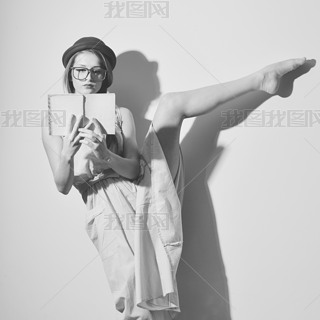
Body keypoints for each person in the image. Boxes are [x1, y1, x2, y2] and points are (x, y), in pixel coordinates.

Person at [41, 36, 307, 320]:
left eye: (97, 70)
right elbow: (62, 185)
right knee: (139, 304)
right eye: (80, 70)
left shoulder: (120, 115)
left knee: (171, 104)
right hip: (108, 213)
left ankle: (261, 79)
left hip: (143, 190)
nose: (89, 77)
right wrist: (68, 154)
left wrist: (106, 156)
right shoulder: (53, 120)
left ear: (105, 75)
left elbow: (133, 169)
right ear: (70, 73)